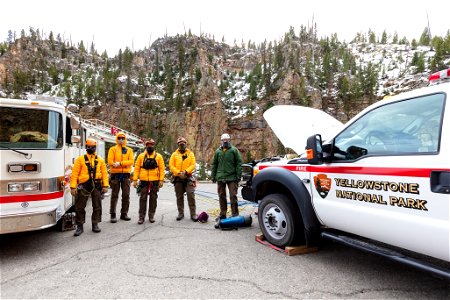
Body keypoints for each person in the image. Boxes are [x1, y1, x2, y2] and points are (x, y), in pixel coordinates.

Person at [70, 138, 109, 236]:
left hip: (96, 185)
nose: (90, 148)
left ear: (95, 148)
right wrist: (73, 187)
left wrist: (105, 185)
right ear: (86, 147)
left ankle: (95, 224)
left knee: (97, 205)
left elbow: (104, 174)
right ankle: (80, 226)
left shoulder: (100, 160)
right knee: (80, 206)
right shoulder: (80, 159)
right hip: (84, 185)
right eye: (89, 147)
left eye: (92, 147)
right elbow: (74, 174)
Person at [211, 133, 243, 220]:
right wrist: (213, 176)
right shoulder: (218, 151)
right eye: (223, 139)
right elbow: (214, 164)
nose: (225, 141)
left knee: (233, 196)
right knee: (221, 196)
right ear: (221, 141)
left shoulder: (234, 150)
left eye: (226, 139)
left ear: (229, 140)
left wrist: (238, 175)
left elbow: (239, 163)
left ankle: (235, 214)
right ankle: (223, 214)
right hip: (220, 177)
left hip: (232, 177)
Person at [133, 139, 165, 224]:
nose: (150, 146)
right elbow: (136, 169)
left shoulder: (159, 156)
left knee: (153, 198)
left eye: (151, 145)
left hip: (154, 181)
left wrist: (161, 180)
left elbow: (162, 169)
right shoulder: (141, 156)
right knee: (142, 198)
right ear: (146, 146)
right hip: (143, 181)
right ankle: (141, 217)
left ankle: (151, 215)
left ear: (154, 146)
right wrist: (135, 180)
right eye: (148, 145)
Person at [169, 137, 197, 221]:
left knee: (190, 195)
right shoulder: (174, 154)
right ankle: (180, 213)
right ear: (177, 144)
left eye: (183, 143)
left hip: (188, 177)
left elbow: (193, 165)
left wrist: (185, 172)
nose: (181, 144)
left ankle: (193, 214)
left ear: (186, 143)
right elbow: (171, 165)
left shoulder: (190, 153)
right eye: (180, 143)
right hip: (178, 178)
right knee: (179, 196)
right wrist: (178, 173)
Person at [108, 132, 134, 223]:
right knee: (114, 195)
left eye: (123, 138)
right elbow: (110, 161)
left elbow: (131, 161)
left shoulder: (129, 150)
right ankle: (113, 214)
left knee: (126, 195)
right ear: (117, 139)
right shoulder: (112, 149)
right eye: (119, 138)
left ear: (125, 139)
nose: (121, 140)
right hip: (115, 175)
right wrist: (116, 164)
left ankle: (124, 213)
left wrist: (120, 163)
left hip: (126, 176)